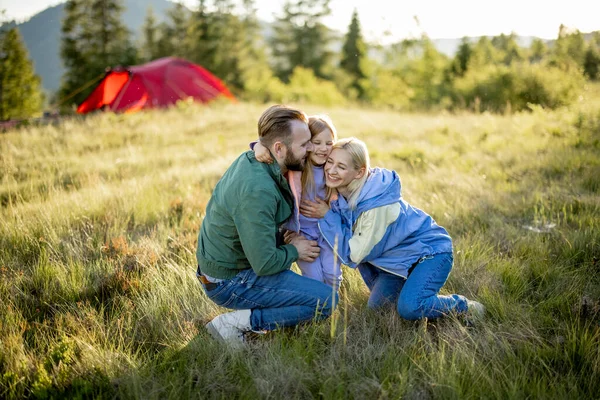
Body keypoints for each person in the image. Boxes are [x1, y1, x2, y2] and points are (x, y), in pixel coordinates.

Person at [196, 105, 338, 347]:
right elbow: (264, 263)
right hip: (231, 281)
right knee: (326, 301)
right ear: (279, 148)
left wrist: (284, 237)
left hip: (235, 265)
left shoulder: (257, 158)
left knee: (309, 291)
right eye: (305, 145)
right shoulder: (257, 190)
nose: (312, 149)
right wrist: (296, 251)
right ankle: (235, 324)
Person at [310, 137, 485, 321]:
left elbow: (354, 254)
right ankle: (408, 289)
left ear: (359, 172)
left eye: (341, 166)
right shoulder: (345, 192)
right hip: (396, 263)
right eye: (330, 162)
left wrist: (327, 216)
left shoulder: (376, 207)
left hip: (430, 253)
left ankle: (464, 306)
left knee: (411, 308)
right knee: (379, 311)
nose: (331, 170)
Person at [253, 115, 342, 289]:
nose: (323, 149)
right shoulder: (297, 166)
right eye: (317, 143)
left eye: (329, 143)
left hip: (328, 229)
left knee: (332, 275)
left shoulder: (333, 167)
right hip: (303, 233)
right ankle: (317, 310)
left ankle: (332, 306)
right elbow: (272, 144)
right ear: (307, 143)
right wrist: (258, 146)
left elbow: (354, 161)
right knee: (314, 277)